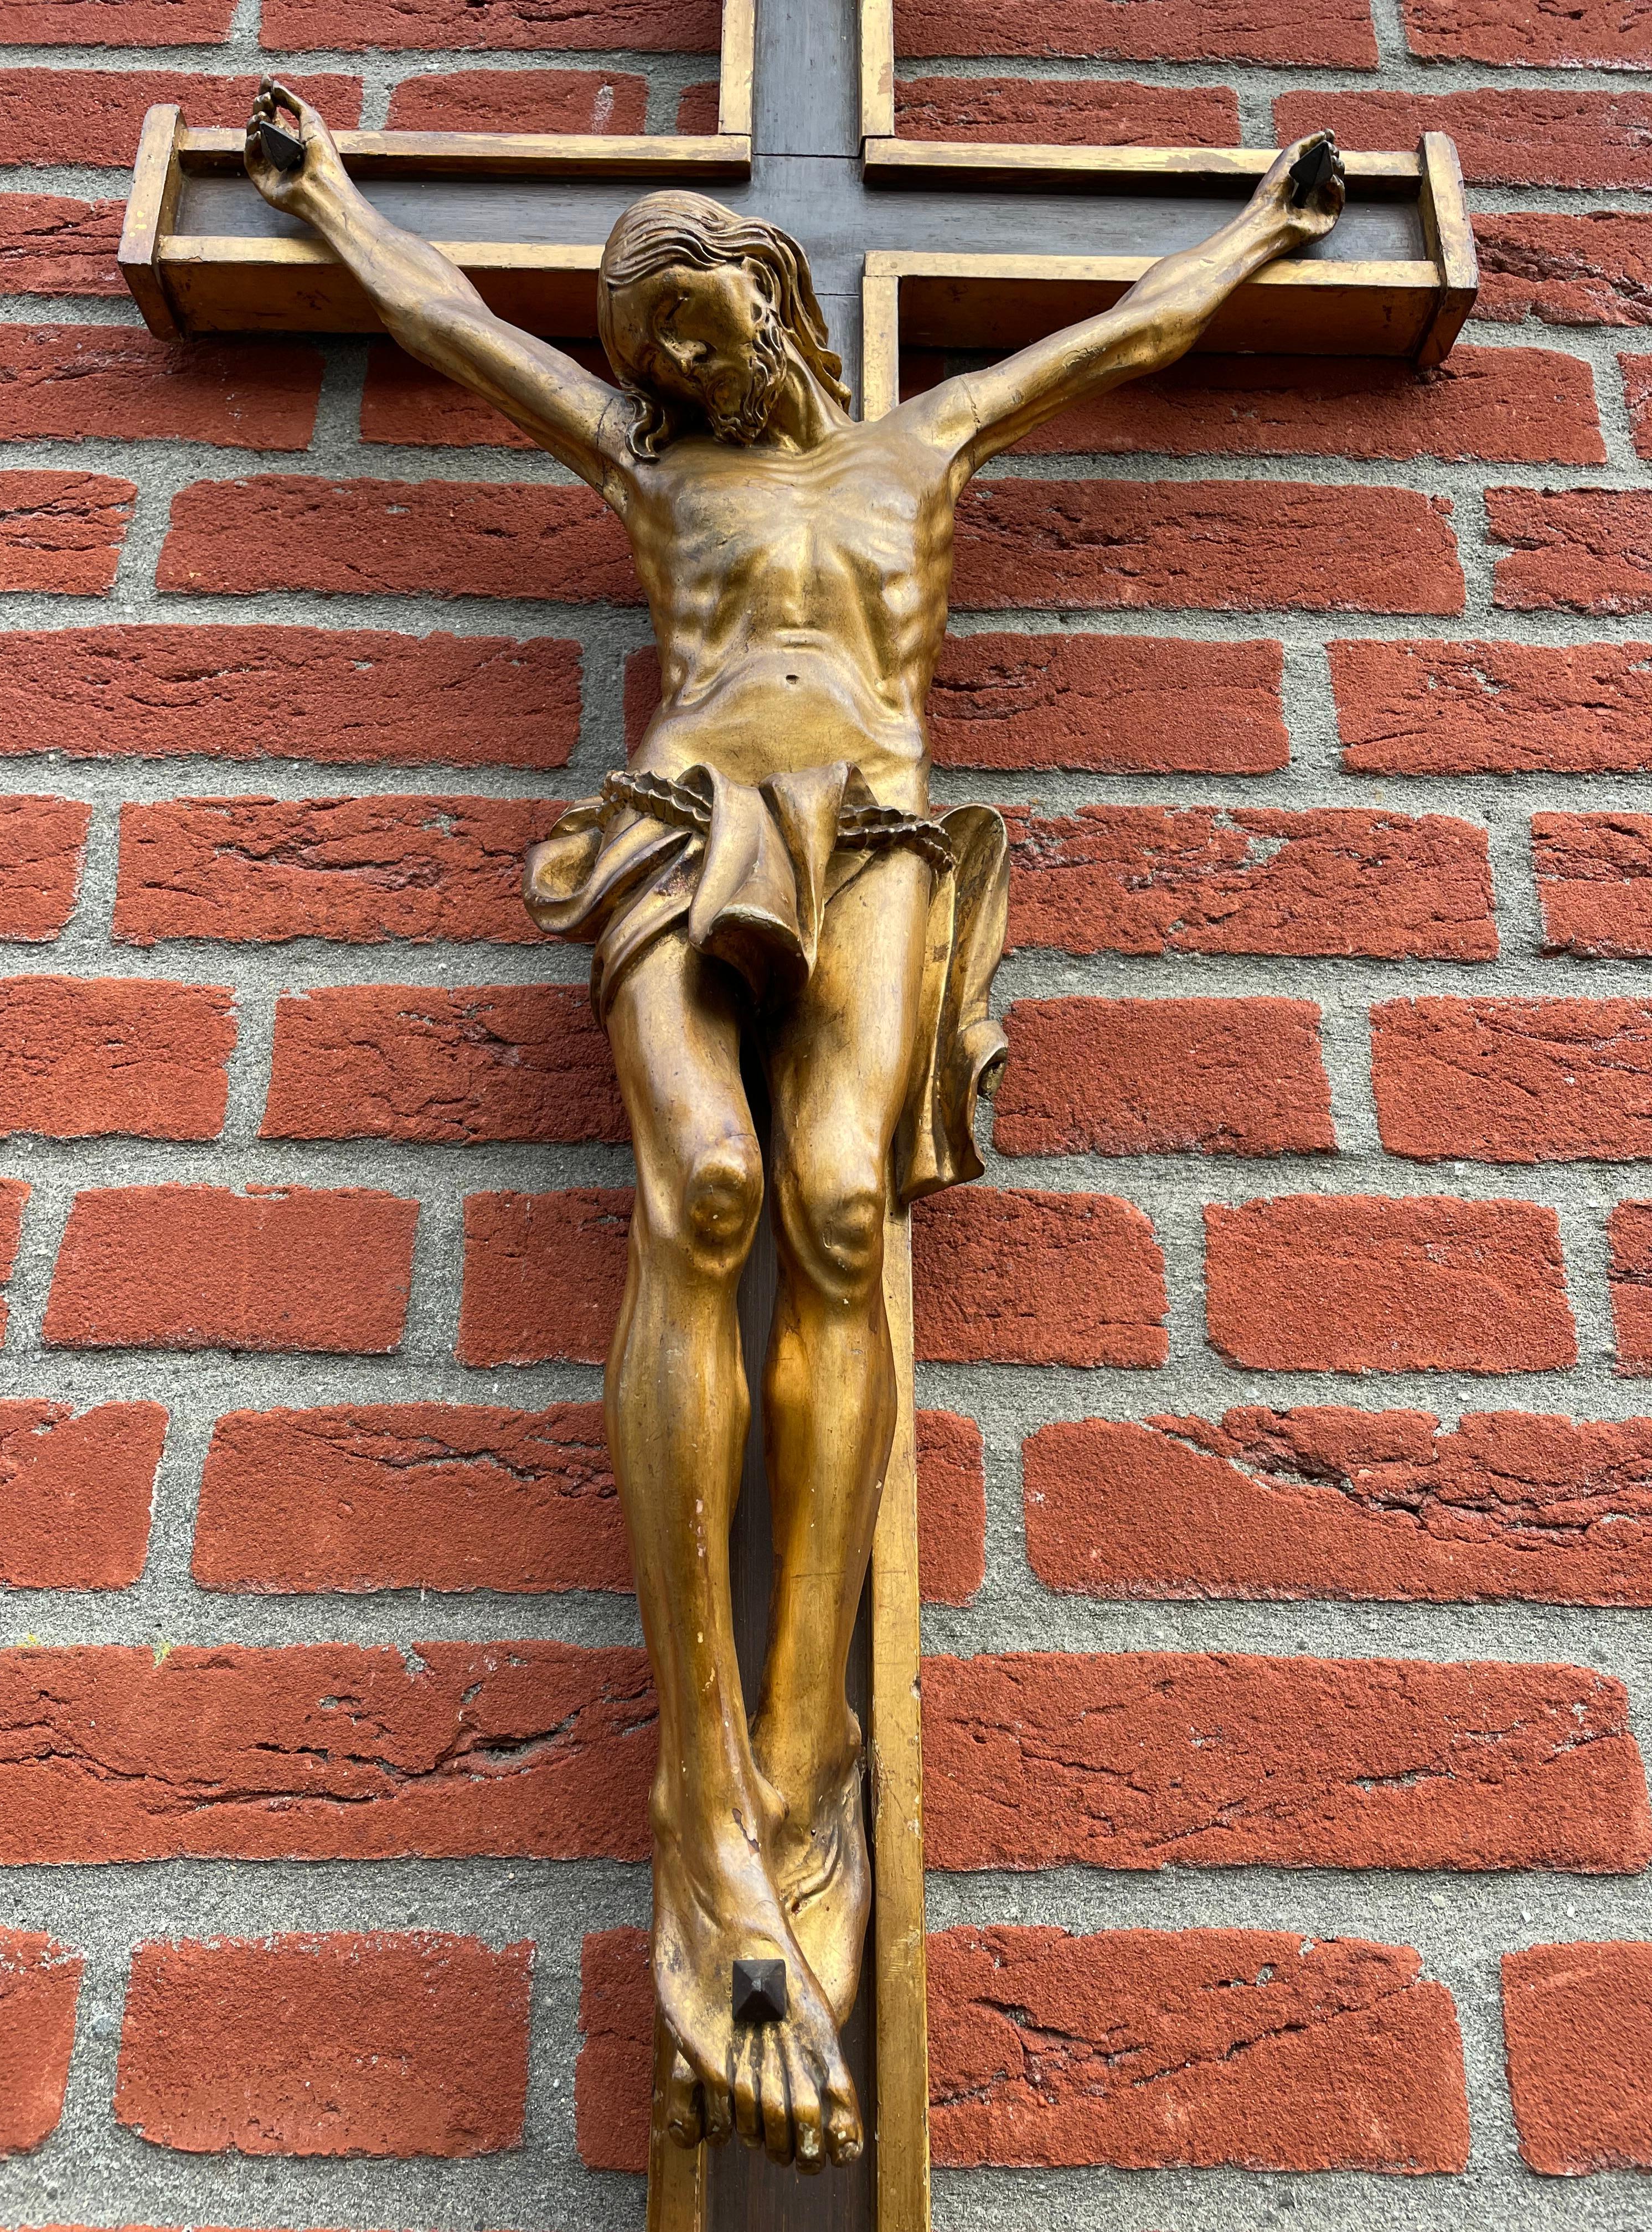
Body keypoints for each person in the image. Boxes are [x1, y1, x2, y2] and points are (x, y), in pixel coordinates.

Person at [245, 82, 1345, 2177]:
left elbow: (1118, 338)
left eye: (704, 324)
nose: (685, 367)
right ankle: (706, 1790)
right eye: (654, 353)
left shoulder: (916, 446)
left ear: (771, 291)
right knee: (715, 1188)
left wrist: (1272, 238)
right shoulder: (654, 478)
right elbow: (450, 324)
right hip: (684, 820)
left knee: (837, 1209)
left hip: (880, 838)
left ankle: (811, 1737)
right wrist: (322, 204)